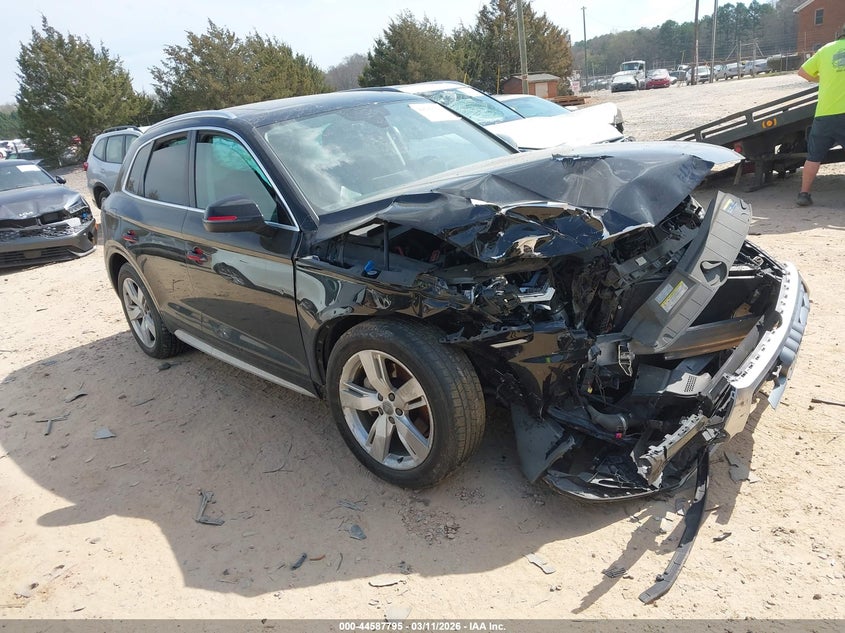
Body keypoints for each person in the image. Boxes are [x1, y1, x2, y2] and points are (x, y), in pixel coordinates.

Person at [795, 26, 845, 206]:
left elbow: (802, 72)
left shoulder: (826, 49)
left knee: (814, 156)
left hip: (824, 114)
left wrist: (824, 78)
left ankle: (804, 194)